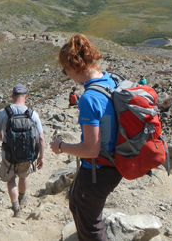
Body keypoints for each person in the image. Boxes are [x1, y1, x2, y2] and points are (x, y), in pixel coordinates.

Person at [49, 35, 122, 241]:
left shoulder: (89, 98)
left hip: (99, 170)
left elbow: (91, 150)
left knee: (90, 227)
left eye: (66, 70)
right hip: (116, 162)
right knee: (76, 203)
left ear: (75, 66)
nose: (67, 75)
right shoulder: (111, 79)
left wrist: (61, 146)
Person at [0, 84, 45, 217]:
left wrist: (5, 141)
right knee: (24, 176)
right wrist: (41, 157)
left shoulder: (3, 113)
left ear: (12, 96)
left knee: (11, 180)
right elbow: (41, 138)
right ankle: (22, 199)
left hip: (8, 154)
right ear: (26, 97)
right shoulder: (32, 114)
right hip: (28, 154)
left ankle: (16, 209)